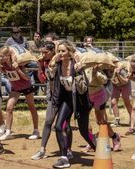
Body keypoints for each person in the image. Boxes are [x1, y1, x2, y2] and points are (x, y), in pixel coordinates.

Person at [47, 40, 93, 168]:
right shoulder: (57, 64)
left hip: (79, 101)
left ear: (70, 52)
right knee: (58, 126)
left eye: (63, 51)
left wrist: (79, 71)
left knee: (84, 131)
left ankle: (98, 147)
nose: (60, 53)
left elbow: (84, 89)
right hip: (66, 100)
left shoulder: (76, 65)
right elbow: (51, 80)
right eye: (59, 51)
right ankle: (64, 157)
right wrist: (51, 67)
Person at [0, 46, 40, 141]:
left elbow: (27, 78)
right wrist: (2, 69)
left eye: (2, 56)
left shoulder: (17, 64)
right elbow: (8, 74)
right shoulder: (3, 64)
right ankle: (8, 131)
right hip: (15, 88)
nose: (0, 58)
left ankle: (36, 130)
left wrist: (18, 69)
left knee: (31, 107)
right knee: (9, 107)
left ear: (8, 56)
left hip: (26, 87)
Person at [110, 60, 132, 127]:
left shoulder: (122, 71)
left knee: (127, 102)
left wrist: (118, 74)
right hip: (115, 85)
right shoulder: (108, 70)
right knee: (113, 102)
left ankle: (132, 119)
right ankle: (117, 120)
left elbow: (125, 81)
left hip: (125, 85)